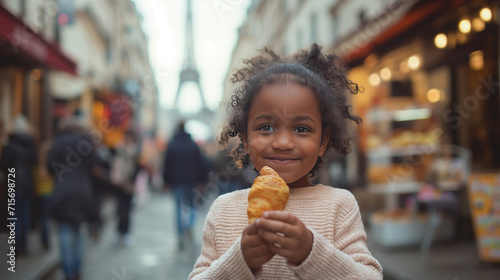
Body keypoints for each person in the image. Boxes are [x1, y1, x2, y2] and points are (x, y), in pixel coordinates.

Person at [189, 44, 383, 279]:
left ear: (324, 141)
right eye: (266, 127)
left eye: (301, 128)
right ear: (245, 139)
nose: (283, 142)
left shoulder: (339, 205)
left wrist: (312, 253)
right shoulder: (223, 210)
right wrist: (240, 260)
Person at [47, 117, 97, 280]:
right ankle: (77, 270)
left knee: (64, 231)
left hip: (62, 191)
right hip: (83, 192)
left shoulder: (58, 141)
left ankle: (68, 272)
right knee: (79, 231)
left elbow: (50, 167)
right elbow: (94, 166)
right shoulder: (86, 142)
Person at [162, 121, 208, 250]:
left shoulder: (172, 145)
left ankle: (180, 234)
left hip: (177, 182)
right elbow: (201, 163)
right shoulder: (193, 145)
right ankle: (189, 225)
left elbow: (167, 164)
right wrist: (202, 180)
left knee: (178, 208)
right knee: (192, 206)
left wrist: (166, 181)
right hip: (192, 181)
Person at [0, 115, 37, 255]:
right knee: (25, 213)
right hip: (28, 181)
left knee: (15, 214)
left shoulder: (10, 144)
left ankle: (17, 245)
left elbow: (4, 164)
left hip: (13, 180)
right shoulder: (30, 143)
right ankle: (24, 243)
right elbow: (34, 161)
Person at [110, 130, 140, 246]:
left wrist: (129, 179)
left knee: (126, 209)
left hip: (129, 185)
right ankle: (119, 232)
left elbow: (138, 168)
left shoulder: (135, 152)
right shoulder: (119, 150)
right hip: (118, 183)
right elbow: (114, 165)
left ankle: (126, 232)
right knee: (119, 208)